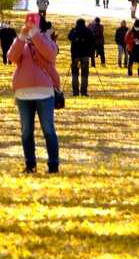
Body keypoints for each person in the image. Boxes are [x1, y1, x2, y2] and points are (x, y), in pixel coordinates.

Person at [9, 13, 62, 174]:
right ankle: (30, 164)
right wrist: (21, 37)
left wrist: (36, 36)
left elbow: (50, 55)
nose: (30, 26)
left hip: (44, 93)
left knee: (48, 130)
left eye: (34, 24)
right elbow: (12, 57)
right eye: (28, 23)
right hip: (23, 94)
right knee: (26, 132)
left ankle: (53, 164)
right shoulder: (21, 42)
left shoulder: (47, 41)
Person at [67, 18, 94, 96]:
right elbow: (92, 42)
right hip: (85, 55)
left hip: (75, 55)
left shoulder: (74, 30)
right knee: (84, 74)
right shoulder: (88, 31)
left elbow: (69, 37)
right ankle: (83, 92)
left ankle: (75, 92)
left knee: (75, 74)